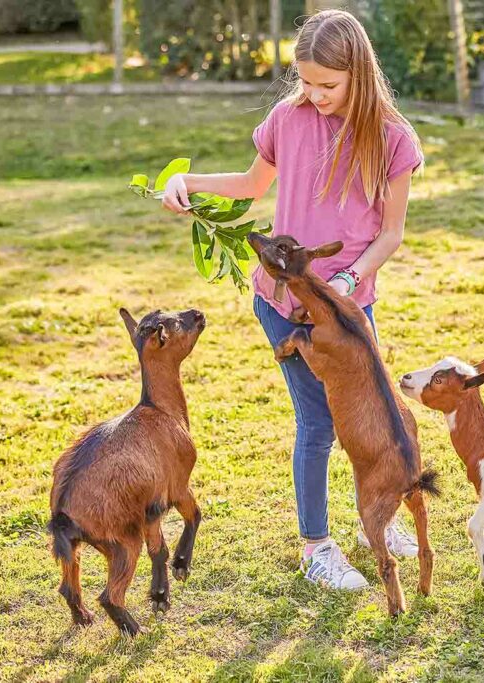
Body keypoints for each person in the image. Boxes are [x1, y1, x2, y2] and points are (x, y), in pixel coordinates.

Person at [161, 9, 424, 590]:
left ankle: (371, 522)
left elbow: (391, 232)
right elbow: (253, 185)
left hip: (349, 308)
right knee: (319, 422)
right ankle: (315, 546)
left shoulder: (392, 138)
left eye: (327, 85)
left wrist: (350, 284)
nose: (313, 94)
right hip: (284, 304)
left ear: (358, 73)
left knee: (373, 417)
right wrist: (189, 184)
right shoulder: (289, 118)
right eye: (305, 81)